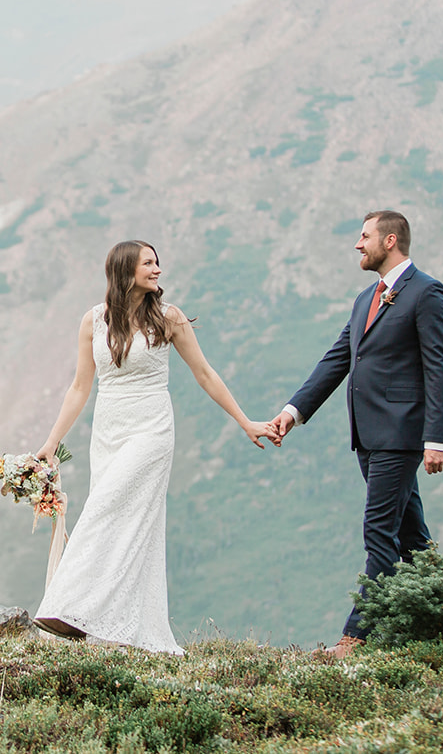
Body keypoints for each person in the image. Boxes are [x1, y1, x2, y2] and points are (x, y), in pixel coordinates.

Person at [33, 240, 278, 653]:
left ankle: (65, 607)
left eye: (157, 262)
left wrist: (244, 421)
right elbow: (80, 386)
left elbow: (204, 373)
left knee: (102, 508)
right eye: (149, 263)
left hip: (151, 429)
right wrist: (51, 442)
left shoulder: (170, 318)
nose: (158, 269)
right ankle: (123, 629)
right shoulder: (93, 321)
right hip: (108, 433)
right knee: (131, 525)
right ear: (126, 270)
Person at [268, 210, 443, 659]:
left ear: (390, 241)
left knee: (378, 530)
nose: (358, 244)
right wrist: (293, 411)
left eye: (365, 236)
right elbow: (337, 360)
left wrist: (436, 439)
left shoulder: (427, 293)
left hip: (401, 435)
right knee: (411, 537)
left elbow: (439, 367)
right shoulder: (364, 299)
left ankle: (358, 637)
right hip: (367, 436)